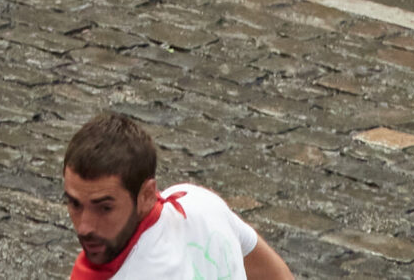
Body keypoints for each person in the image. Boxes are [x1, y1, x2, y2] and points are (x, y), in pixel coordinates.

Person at [60, 112, 299, 280]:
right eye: (75, 203)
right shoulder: (199, 203)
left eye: (105, 208)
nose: (85, 226)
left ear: (146, 195)